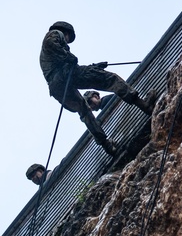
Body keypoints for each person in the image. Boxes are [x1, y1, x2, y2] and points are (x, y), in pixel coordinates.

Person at [39, 21, 153, 156]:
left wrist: (94, 67)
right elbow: (53, 45)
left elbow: (69, 65)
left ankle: (107, 146)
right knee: (111, 79)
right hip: (66, 75)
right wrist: (70, 57)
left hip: (56, 86)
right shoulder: (55, 34)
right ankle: (145, 105)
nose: (68, 41)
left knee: (84, 110)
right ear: (67, 32)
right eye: (69, 39)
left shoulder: (45, 57)